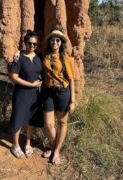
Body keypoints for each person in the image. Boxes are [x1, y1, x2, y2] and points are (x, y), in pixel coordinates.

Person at [42, 29, 76, 166]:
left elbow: (72, 79)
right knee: (49, 123)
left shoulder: (66, 58)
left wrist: (73, 101)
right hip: (48, 92)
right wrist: (16, 53)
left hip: (63, 93)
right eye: (52, 40)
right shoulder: (45, 56)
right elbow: (29, 52)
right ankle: (54, 146)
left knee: (62, 122)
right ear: (49, 42)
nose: (54, 42)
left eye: (57, 40)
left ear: (61, 43)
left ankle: (56, 151)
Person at [9, 30, 43, 158]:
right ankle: (15, 145)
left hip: (35, 95)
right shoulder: (19, 58)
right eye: (29, 43)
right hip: (21, 94)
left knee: (31, 119)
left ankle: (27, 143)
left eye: (35, 44)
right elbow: (13, 77)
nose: (32, 46)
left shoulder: (38, 56)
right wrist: (31, 85)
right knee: (18, 119)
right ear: (25, 43)